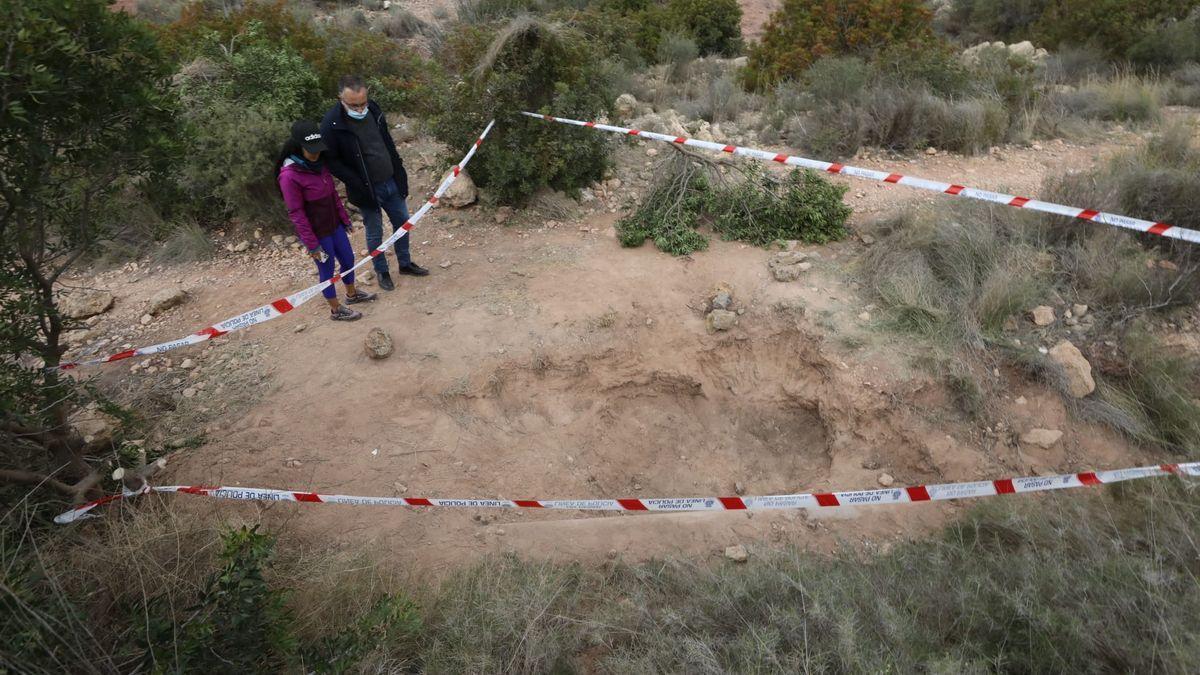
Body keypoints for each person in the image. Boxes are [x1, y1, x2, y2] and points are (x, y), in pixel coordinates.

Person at [320, 75, 428, 292]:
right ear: (340, 98)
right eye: (354, 105)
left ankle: (405, 264)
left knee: (403, 223)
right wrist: (356, 181)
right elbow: (331, 161)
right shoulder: (331, 124)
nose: (360, 109)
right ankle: (382, 271)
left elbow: (387, 142)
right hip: (366, 189)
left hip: (390, 180)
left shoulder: (375, 110)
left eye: (363, 103)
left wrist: (400, 174)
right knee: (374, 232)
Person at [277, 120, 376, 321]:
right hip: (317, 234)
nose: (316, 154)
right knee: (327, 270)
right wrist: (312, 245)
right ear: (298, 146)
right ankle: (335, 309)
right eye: (311, 150)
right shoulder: (289, 176)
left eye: (318, 149)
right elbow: (296, 213)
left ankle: (352, 294)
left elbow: (332, 195)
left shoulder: (320, 166)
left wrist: (344, 219)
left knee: (348, 259)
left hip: (334, 226)